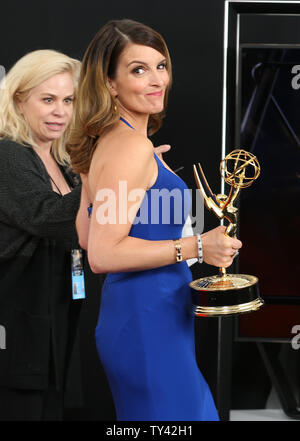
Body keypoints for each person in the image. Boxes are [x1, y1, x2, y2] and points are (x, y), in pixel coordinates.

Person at [68, 19, 242, 421]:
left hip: (149, 317)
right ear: (110, 83)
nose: (156, 79)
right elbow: (101, 254)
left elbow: (84, 233)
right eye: (138, 69)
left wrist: (99, 177)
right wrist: (200, 246)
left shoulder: (122, 142)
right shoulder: (129, 145)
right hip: (147, 324)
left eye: (160, 66)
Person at [0, 50, 83, 420]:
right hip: (17, 322)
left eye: (68, 100)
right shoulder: (8, 154)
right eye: (47, 99)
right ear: (19, 100)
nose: (60, 112)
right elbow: (46, 217)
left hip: (57, 314)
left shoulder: (64, 163)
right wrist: (114, 174)